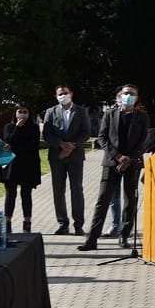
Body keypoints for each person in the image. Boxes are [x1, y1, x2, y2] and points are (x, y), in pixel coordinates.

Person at [77, 84, 151, 252]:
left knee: (130, 200)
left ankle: (124, 235)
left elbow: (144, 141)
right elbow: (102, 138)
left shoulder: (142, 117)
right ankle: (92, 239)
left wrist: (129, 159)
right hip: (111, 162)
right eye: (126, 93)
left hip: (132, 163)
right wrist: (117, 157)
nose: (128, 96)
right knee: (103, 200)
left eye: (132, 94)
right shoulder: (110, 114)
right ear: (119, 96)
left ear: (137, 98)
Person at [42, 83, 90, 236]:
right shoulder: (50, 112)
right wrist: (61, 145)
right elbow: (47, 134)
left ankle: (78, 225)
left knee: (76, 189)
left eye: (65, 93)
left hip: (75, 156)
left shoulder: (81, 112)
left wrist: (71, 147)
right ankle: (63, 224)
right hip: (56, 156)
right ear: (56, 96)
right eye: (60, 94)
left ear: (71, 93)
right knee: (58, 190)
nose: (63, 95)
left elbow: (86, 132)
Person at [0, 101, 43, 233]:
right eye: (20, 112)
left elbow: (33, 145)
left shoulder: (34, 128)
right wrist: (17, 128)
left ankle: (27, 223)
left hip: (28, 164)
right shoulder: (9, 126)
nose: (22, 115)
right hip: (11, 165)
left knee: (26, 194)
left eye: (25, 112)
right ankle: (7, 224)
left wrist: (15, 145)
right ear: (15, 113)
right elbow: (8, 140)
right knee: (10, 194)